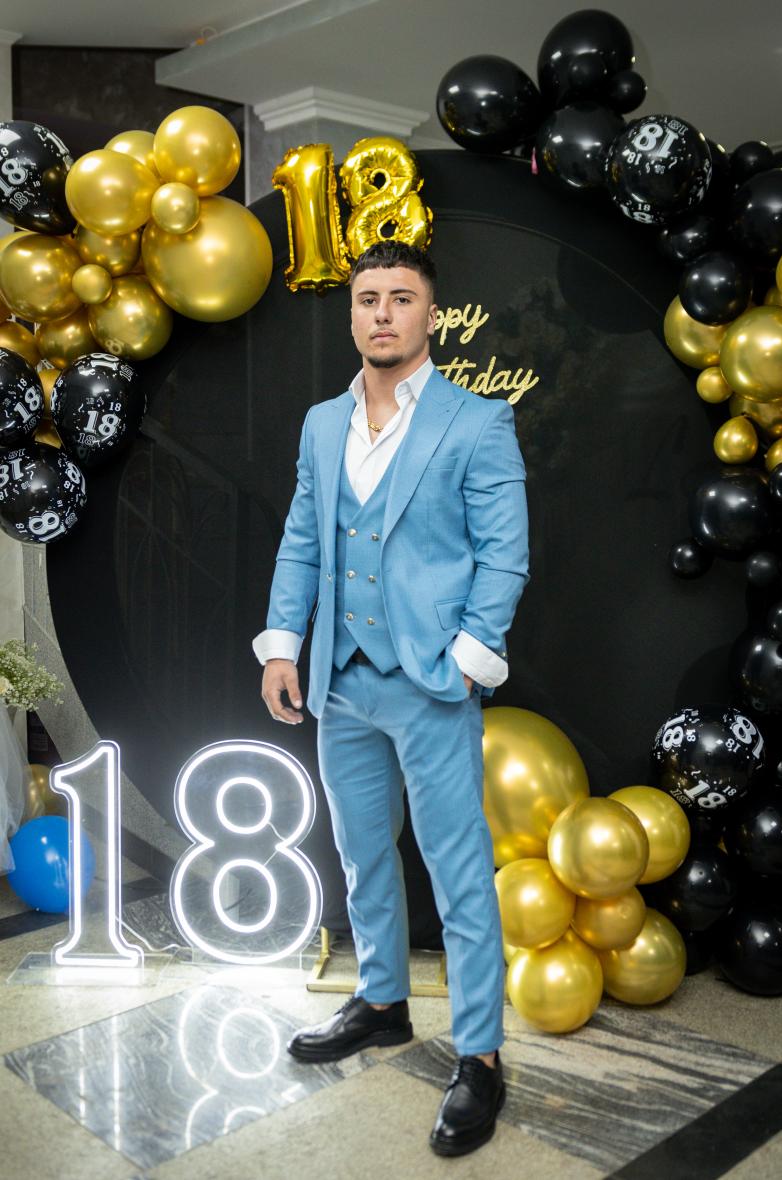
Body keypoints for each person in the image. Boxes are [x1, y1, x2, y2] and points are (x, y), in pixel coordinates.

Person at [252, 240, 529, 1156]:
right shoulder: (321, 424)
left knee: (457, 871)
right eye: (368, 297)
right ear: (352, 314)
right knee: (362, 851)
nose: (382, 312)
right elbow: (302, 539)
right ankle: (380, 1002)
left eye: (400, 298)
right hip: (341, 679)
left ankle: (481, 1056)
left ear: (429, 315)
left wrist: (470, 658)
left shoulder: (477, 421)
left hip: (432, 682)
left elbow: (505, 557)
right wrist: (283, 644)